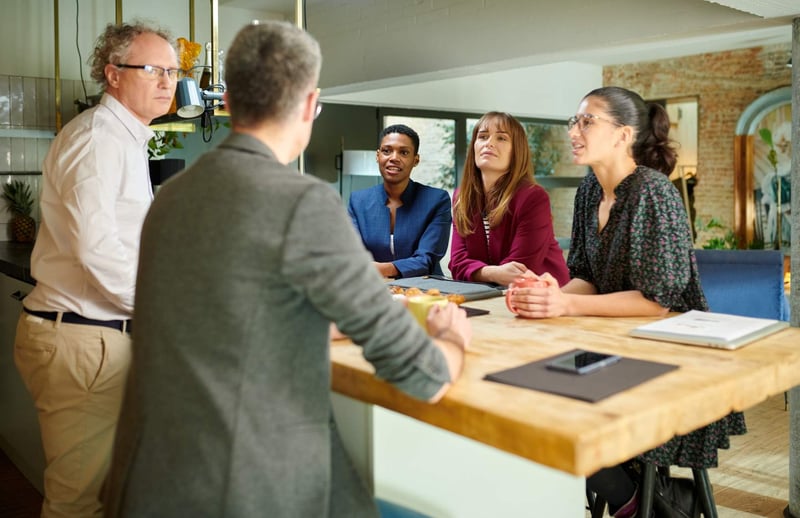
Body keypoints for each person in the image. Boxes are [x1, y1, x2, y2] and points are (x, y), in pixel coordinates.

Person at [101, 21, 470, 518]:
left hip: (147, 481)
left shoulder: (172, 197)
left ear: (228, 102)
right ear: (308, 103)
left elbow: (225, 323)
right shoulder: (303, 201)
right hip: (244, 488)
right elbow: (420, 373)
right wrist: (451, 340)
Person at [508, 86, 745, 517]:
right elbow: (586, 278)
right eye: (573, 122)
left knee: (568, 426)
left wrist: (566, 307)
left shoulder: (653, 192)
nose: (574, 131)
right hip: (616, 345)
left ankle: (643, 502)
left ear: (623, 134)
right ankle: (642, 502)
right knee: (542, 413)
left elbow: (658, 301)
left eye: (587, 121)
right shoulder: (587, 193)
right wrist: (550, 295)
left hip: (670, 359)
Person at [12, 22, 178, 518]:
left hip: (98, 335)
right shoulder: (99, 139)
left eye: (172, 70)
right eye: (152, 69)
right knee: (77, 503)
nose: (168, 81)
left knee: (105, 492)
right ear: (112, 74)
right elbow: (99, 250)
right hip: (85, 340)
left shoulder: (124, 138)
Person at [448, 111, 569, 287]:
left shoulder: (533, 197)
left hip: (544, 296)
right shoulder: (462, 197)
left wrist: (478, 272)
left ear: (516, 151)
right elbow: (457, 264)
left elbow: (521, 269)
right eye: (482, 137)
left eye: (501, 138)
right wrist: (494, 273)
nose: (489, 143)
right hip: (491, 293)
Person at [347, 124, 451, 278]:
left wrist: (383, 269)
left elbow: (426, 259)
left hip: (426, 290)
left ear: (416, 160)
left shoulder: (436, 200)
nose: (394, 158)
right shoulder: (358, 201)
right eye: (386, 151)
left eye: (403, 152)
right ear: (377, 156)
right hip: (371, 289)